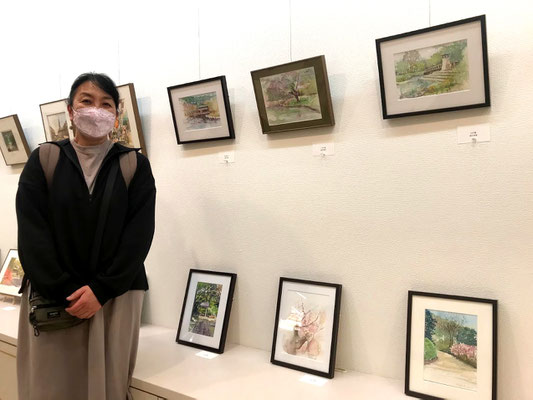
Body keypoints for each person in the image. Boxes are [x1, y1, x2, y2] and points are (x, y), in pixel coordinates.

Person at [15, 72, 156, 400]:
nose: (97, 109)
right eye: (87, 101)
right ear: (70, 110)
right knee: (50, 385)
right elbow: (32, 232)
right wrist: (65, 289)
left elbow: (139, 235)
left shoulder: (134, 165)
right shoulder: (44, 159)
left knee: (107, 384)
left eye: (106, 103)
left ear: (117, 114)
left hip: (116, 296)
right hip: (54, 296)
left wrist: (101, 289)